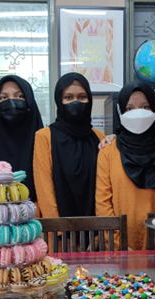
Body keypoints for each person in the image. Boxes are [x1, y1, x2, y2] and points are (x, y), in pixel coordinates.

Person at [96, 80, 155, 251]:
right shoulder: (108, 151)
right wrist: (119, 246)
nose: (138, 113)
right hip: (118, 249)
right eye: (129, 108)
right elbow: (103, 204)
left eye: (145, 107)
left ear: (154, 109)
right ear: (120, 112)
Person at [33, 73, 105, 218]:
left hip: (96, 227)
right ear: (59, 101)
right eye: (68, 97)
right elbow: (44, 188)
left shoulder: (99, 138)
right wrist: (56, 227)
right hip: (59, 227)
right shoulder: (44, 136)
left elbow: (104, 187)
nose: (75, 102)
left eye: (82, 97)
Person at [0, 75, 43, 205]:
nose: (12, 102)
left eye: (20, 96)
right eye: (3, 97)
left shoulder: (43, 137)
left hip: (36, 210)